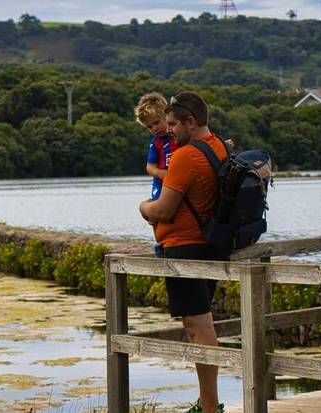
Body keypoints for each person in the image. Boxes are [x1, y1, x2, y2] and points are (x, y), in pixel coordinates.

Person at [138, 91, 228, 413]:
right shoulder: (218, 145)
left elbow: (163, 209)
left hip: (185, 250)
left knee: (199, 329)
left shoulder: (185, 157)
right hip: (209, 247)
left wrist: (143, 207)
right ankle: (208, 403)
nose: (169, 130)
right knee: (202, 326)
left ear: (191, 121)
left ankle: (209, 408)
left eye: (174, 124)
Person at [135, 92, 178, 257]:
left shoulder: (178, 136)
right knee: (155, 211)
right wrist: (161, 174)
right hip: (161, 182)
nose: (154, 129)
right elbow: (149, 167)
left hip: (179, 180)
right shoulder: (156, 142)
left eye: (156, 123)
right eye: (149, 127)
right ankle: (160, 242)